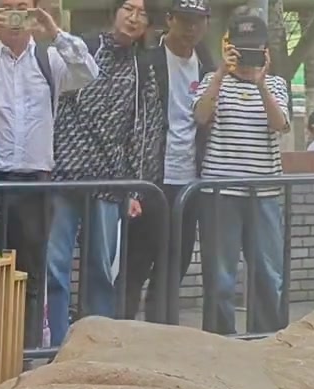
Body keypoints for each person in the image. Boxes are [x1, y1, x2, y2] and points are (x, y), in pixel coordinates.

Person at [0, 0, 98, 350]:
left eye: (22, 7)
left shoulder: (49, 60)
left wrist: (57, 33)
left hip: (32, 183)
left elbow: (89, 72)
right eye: (6, 8)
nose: (15, 16)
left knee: (31, 275)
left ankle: (26, 353)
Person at [45, 0, 160, 346]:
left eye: (141, 13)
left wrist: (136, 189)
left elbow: (145, 129)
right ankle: (57, 343)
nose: (133, 17)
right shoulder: (87, 47)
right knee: (56, 264)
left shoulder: (143, 66)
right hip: (65, 173)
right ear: (115, 12)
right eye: (128, 8)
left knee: (101, 269)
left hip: (110, 180)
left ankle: (95, 345)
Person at [191, 9, 291, 335]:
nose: (247, 53)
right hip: (220, 193)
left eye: (253, 47)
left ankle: (266, 337)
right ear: (228, 46)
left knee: (268, 272)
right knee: (220, 275)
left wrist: (261, 85)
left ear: (265, 50)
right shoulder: (211, 80)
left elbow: (280, 125)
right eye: (241, 46)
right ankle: (219, 339)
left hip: (265, 192)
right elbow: (201, 117)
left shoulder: (276, 84)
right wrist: (221, 73)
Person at [124, 0, 214, 323]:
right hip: (151, 180)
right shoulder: (146, 61)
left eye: (198, 21)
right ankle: (122, 331)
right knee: (137, 261)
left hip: (189, 181)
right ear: (170, 20)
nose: (191, 29)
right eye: (185, 20)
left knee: (176, 261)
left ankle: (160, 329)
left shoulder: (207, 67)